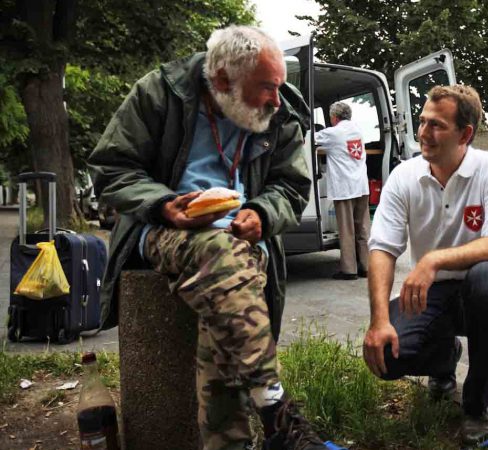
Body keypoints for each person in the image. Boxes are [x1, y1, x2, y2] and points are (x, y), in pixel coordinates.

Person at [88, 26, 330, 450]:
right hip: (163, 230)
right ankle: (275, 411)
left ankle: (246, 437)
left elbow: (291, 188)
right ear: (220, 81)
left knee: (225, 298)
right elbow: (110, 168)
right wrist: (164, 204)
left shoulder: (283, 112)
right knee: (222, 254)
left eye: (279, 86)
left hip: (241, 241)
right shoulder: (159, 93)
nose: (276, 98)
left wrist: (261, 212)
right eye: (267, 87)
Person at [362, 85, 488, 446]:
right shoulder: (404, 176)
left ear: (465, 134)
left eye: (436, 125)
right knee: (387, 353)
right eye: (422, 122)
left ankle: (477, 405)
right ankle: (444, 359)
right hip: (432, 295)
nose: (423, 132)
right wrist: (379, 321)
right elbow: (382, 248)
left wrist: (433, 259)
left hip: (480, 292)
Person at [315, 102, 370, 280]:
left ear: (334, 117)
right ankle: (366, 266)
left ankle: (349, 270)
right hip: (362, 187)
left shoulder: (333, 132)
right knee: (362, 228)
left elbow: (310, 139)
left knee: (346, 230)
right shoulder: (358, 130)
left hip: (345, 188)